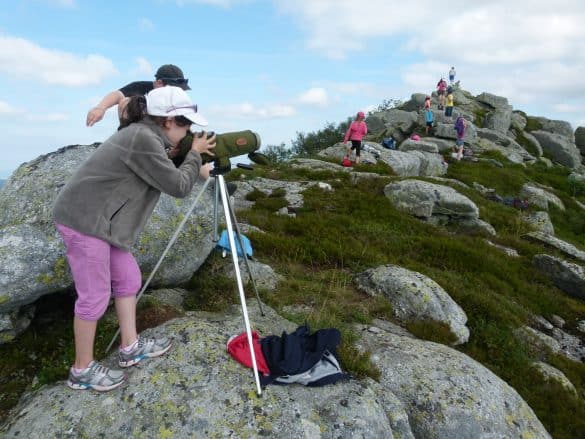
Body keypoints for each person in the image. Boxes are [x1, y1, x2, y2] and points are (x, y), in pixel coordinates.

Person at [53, 86, 216, 392]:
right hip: (84, 219)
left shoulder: (149, 138)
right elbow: (178, 186)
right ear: (168, 120)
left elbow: (166, 170)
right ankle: (81, 370)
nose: (189, 130)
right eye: (186, 124)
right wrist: (195, 154)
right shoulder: (141, 137)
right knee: (94, 297)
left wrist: (190, 158)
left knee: (128, 279)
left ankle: (130, 347)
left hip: (105, 223)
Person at [86, 64, 191, 127]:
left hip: (166, 132)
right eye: (173, 87)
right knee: (125, 102)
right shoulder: (141, 87)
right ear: (159, 83)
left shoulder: (177, 97)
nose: (176, 92)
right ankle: (127, 140)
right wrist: (100, 108)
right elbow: (117, 95)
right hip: (140, 130)